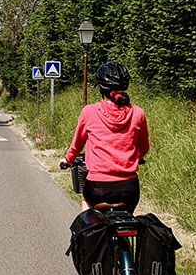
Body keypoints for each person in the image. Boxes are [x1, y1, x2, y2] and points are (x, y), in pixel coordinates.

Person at [62, 61, 149, 215]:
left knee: (87, 210)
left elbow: (77, 145)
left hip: (97, 187)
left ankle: (87, 236)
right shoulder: (138, 113)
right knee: (128, 218)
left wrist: (68, 160)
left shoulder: (89, 112)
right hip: (129, 189)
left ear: (101, 87)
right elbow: (144, 147)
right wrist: (138, 157)